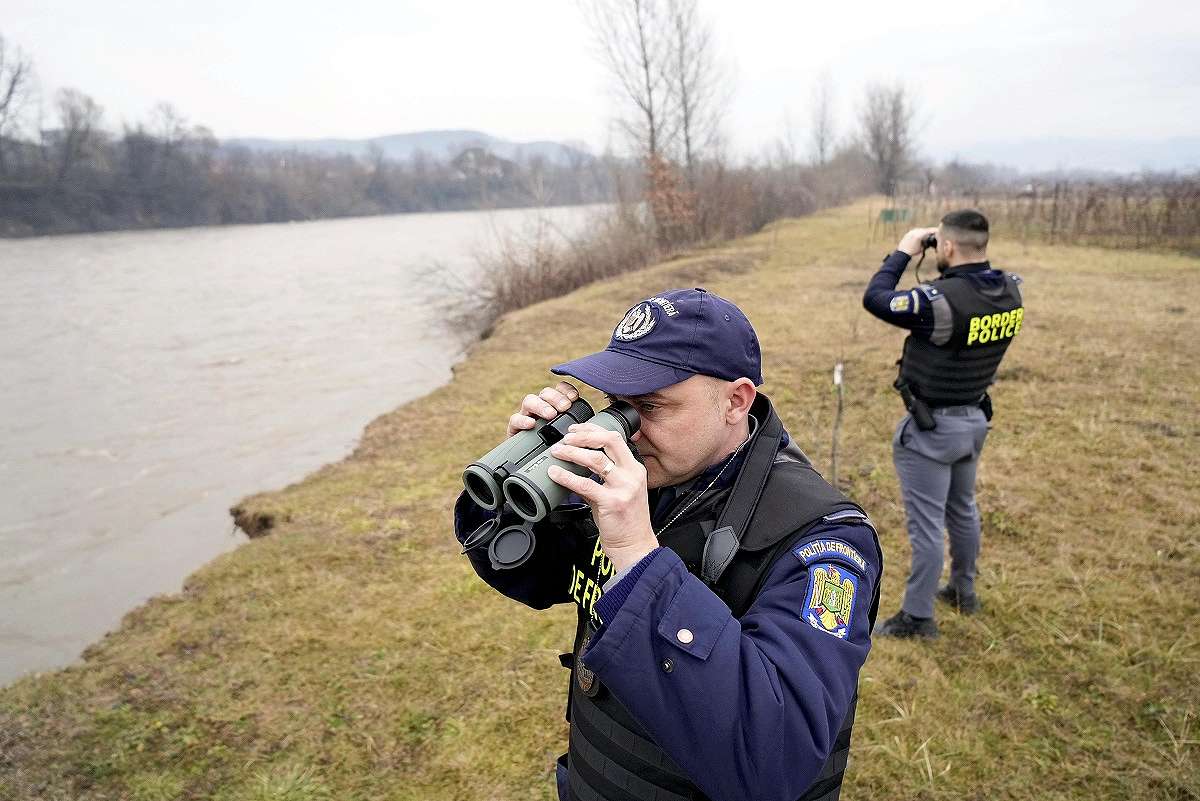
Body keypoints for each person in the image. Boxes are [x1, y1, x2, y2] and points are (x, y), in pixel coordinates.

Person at [454, 287, 882, 801]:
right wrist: (520, 481)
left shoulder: (822, 542)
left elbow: (774, 759)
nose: (628, 430)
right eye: (618, 405)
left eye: (651, 406)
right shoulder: (647, 474)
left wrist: (638, 555)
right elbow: (536, 577)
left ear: (736, 401)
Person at [862, 210, 1025, 639]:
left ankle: (917, 617)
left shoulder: (939, 302)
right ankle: (963, 590)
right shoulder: (1011, 290)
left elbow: (876, 298)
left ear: (947, 245)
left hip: (932, 429)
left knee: (928, 526)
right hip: (974, 419)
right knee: (963, 509)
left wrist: (904, 250)